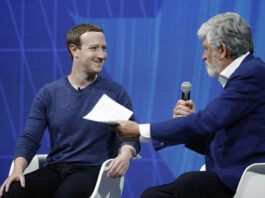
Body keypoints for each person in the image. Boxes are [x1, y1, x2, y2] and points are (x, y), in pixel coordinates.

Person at [112, 12, 265, 198]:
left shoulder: (251, 74)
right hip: (223, 175)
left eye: (206, 49)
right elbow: (218, 142)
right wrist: (190, 123)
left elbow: (209, 119)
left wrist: (140, 131)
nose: (203, 56)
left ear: (222, 50)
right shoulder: (244, 75)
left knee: (190, 182)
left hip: (243, 178)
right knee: (152, 195)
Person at [0, 23, 140, 198]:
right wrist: (17, 170)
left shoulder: (115, 92)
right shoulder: (49, 93)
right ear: (74, 50)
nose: (102, 55)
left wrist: (126, 155)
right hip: (55, 168)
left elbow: (132, 136)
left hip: (92, 171)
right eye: (94, 48)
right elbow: (30, 138)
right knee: (11, 192)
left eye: (104, 48)